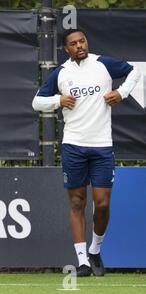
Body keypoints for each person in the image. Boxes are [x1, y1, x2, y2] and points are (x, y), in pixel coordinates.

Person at [32, 28, 140, 276]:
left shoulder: (102, 64)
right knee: (77, 202)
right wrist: (58, 100)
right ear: (66, 49)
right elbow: (37, 102)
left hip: (102, 145)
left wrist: (121, 93)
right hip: (73, 146)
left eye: (82, 41)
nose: (79, 45)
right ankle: (81, 262)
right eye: (73, 43)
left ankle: (95, 250)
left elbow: (135, 71)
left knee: (102, 204)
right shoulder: (61, 73)